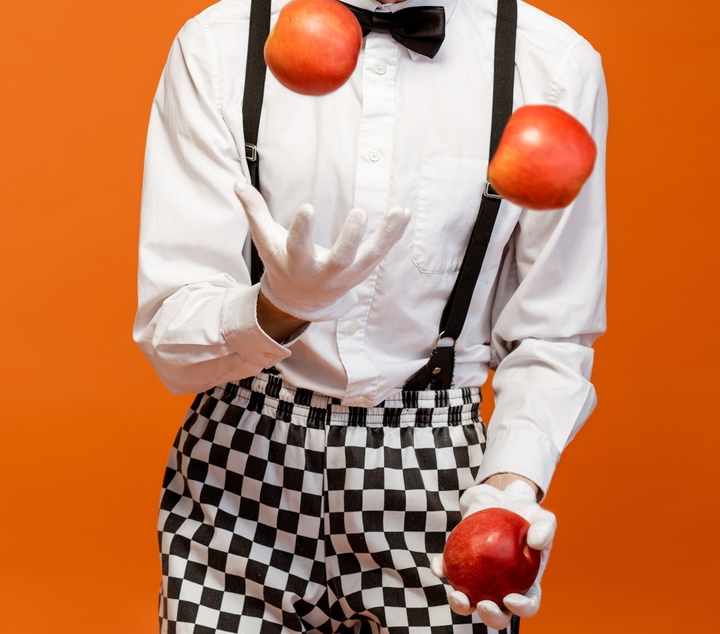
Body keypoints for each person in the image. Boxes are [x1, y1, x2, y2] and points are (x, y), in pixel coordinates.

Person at [134, 0, 608, 631]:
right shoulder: (220, 45)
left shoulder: (551, 65)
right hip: (244, 461)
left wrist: (510, 488)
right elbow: (171, 333)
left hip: (440, 476)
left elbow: (552, 329)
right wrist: (279, 306)